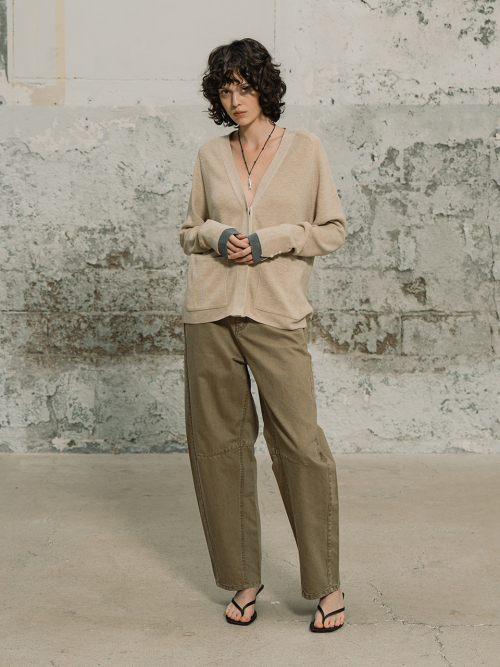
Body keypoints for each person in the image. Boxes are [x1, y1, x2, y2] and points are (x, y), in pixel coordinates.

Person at [179, 37, 347, 633]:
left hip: (277, 314)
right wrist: (215, 235)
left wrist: (271, 240)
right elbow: (189, 230)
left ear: (264, 89)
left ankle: (325, 584)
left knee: (300, 446)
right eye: (226, 90)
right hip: (210, 313)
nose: (235, 100)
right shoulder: (210, 154)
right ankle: (243, 578)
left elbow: (332, 229)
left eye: (245, 87)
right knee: (219, 448)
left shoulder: (306, 150)